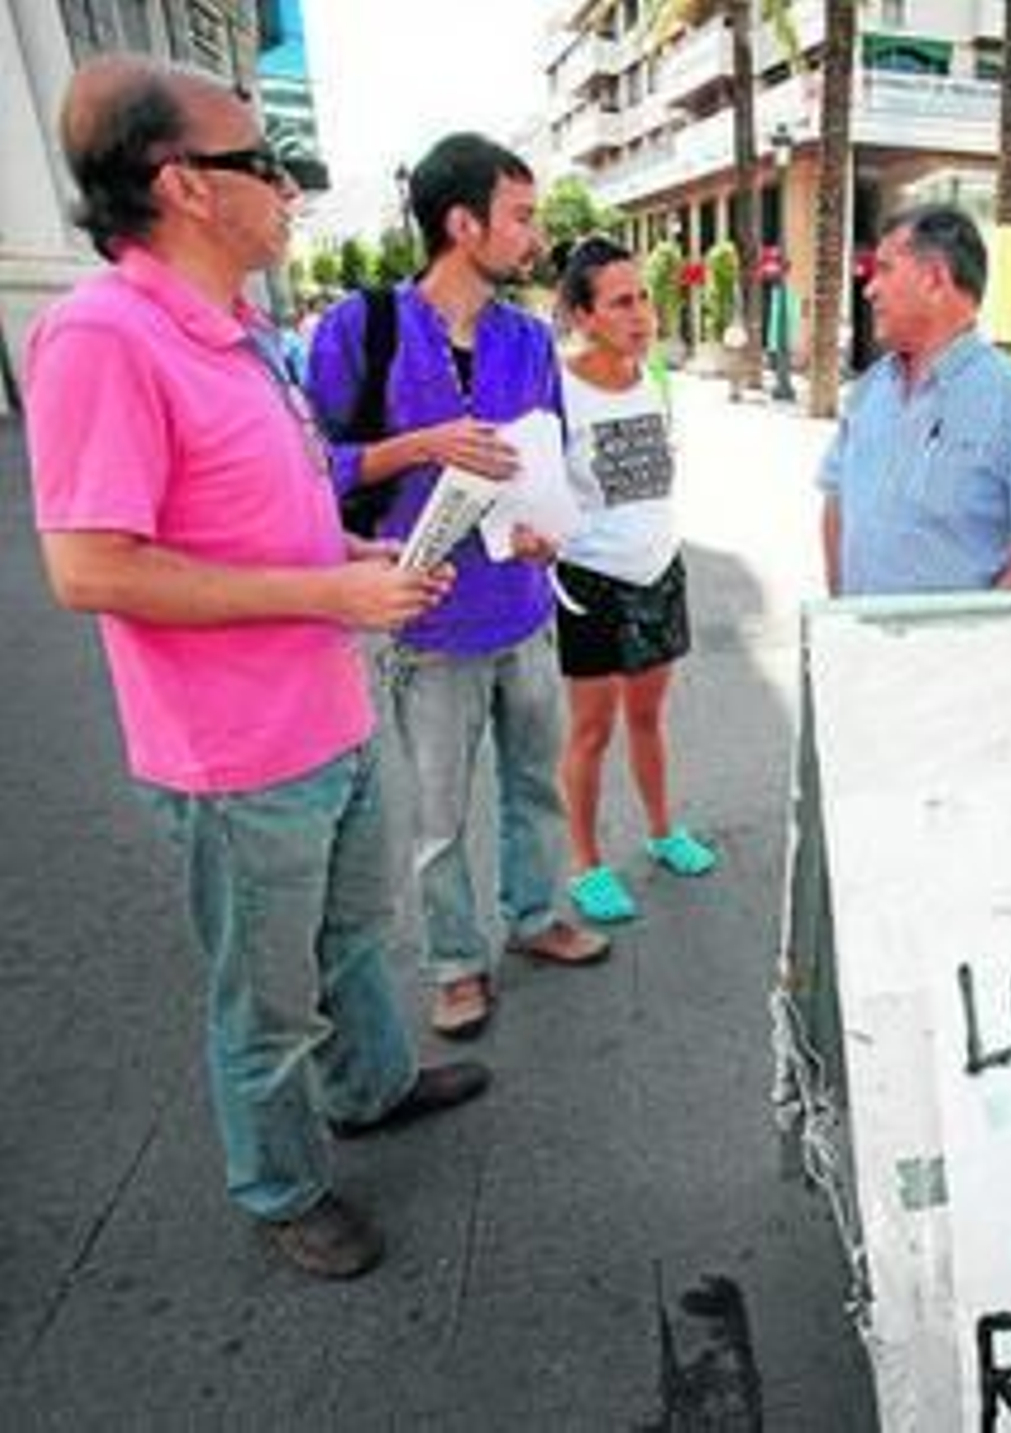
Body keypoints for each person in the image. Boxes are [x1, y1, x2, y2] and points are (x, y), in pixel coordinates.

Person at [24, 55, 489, 1280]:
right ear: (182, 185)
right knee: (264, 999)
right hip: (232, 758)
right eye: (262, 164)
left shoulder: (241, 335)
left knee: (354, 937)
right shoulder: (100, 336)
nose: (287, 189)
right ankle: (281, 1183)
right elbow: (91, 568)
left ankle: (373, 1085)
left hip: (326, 713)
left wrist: (352, 551)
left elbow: (252, 513)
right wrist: (332, 590)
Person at [307, 134, 607, 1043]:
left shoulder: (526, 336)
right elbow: (313, 470)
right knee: (438, 815)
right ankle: (454, 965)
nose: (536, 232)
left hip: (524, 610)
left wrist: (541, 526)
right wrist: (423, 445)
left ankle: (534, 916)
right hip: (428, 622)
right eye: (520, 215)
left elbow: (542, 455)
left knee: (533, 787)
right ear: (461, 221)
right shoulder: (362, 329)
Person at [549, 237, 716, 925]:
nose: (641, 313)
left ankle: (662, 830)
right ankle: (586, 864)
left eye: (643, 296)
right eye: (621, 302)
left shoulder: (656, 378)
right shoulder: (557, 388)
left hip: (660, 570)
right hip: (592, 582)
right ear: (585, 315)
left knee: (649, 717)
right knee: (592, 729)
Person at [820, 204, 1011, 596]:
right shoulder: (869, 390)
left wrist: (973, 642)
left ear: (934, 279)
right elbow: (837, 499)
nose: (870, 288)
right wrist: (840, 612)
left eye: (885, 269)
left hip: (951, 653)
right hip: (860, 646)